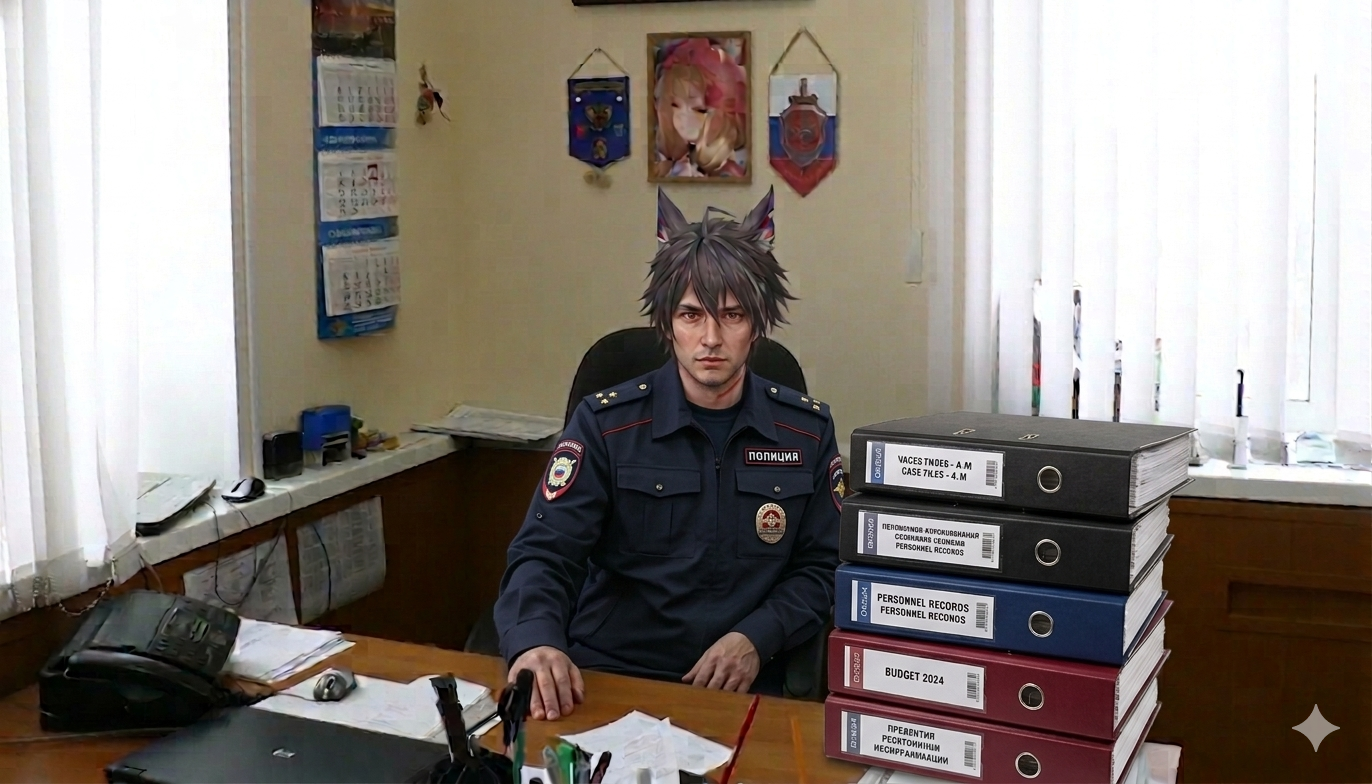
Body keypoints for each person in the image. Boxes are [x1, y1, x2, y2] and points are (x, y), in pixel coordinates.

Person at [494, 188, 842, 721]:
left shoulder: (806, 432)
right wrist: (535, 640)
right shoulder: (605, 425)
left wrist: (757, 637)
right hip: (611, 674)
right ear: (666, 324)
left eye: (732, 315)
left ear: (757, 325)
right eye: (691, 315)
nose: (711, 338)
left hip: (745, 682)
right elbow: (545, 554)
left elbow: (823, 567)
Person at [651, 37, 748, 179]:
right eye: (675, 105)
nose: (683, 117)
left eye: (699, 109)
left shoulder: (731, 171)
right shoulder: (666, 163)